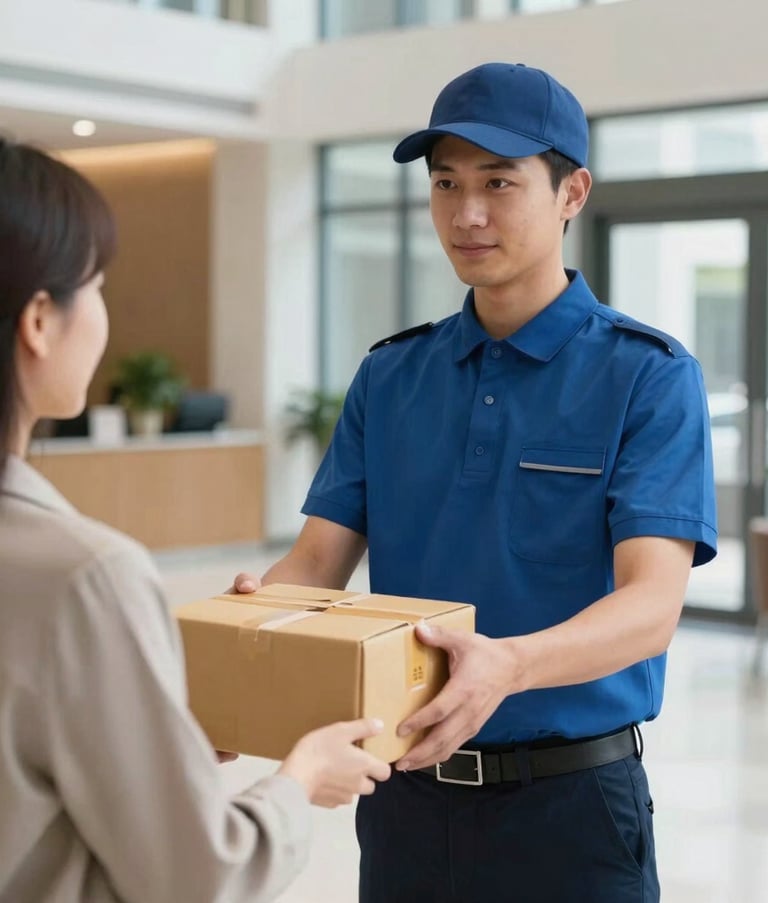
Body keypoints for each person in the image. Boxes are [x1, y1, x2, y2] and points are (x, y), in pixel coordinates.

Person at [233, 62, 717, 902]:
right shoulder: (390, 376)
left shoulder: (648, 376)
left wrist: (510, 665)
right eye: (446, 182)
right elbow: (315, 564)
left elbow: (651, 607)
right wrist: (250, 643)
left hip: (571, 810)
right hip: (405, 805)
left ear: (572, 192)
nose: (467, 213)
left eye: (499, 182)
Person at [0, 139, 390, 903]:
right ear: (41, 320)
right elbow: (199, 873)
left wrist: (159, 733)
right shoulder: (86, 575)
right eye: (98, 285)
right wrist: (298, 778)